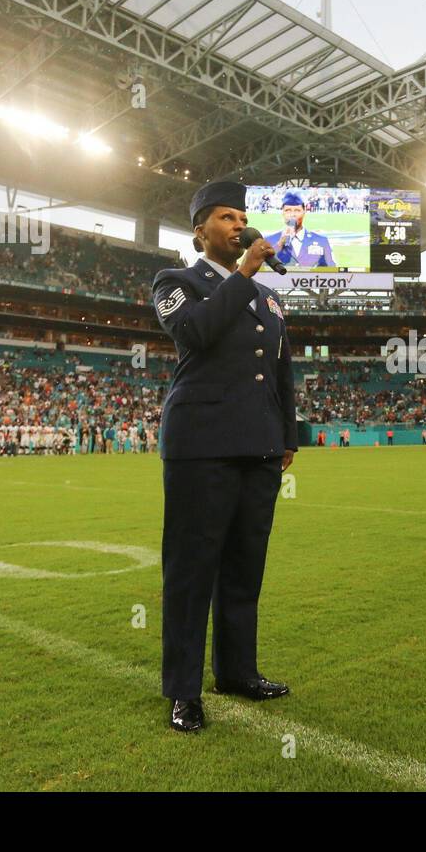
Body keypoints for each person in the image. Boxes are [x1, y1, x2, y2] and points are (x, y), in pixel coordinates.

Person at [152, 179, 299, 733]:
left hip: (257, 447)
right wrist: (243, 275)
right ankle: (183, 691)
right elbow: (197, 332)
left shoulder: (266, 295)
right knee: (191, 571)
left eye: (243, 218)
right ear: (200, 231)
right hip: (201, 445)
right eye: (227, 218)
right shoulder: (176, 282)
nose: (240, 225)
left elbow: (281, 368)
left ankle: (237, 672)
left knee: (244, 568)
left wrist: (287, 435)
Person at [265, 191, 336, 268]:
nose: (292, 215)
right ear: (283, 213)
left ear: (304, 212)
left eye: (297, 210)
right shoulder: (269, 241)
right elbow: (261, 269)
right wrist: (279, 245)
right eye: (288, 210)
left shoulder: (321, 241)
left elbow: (332, 270)